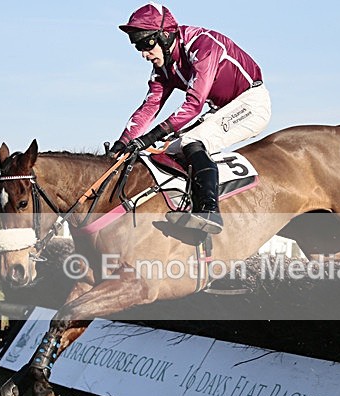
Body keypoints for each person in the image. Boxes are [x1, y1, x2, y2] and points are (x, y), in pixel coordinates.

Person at [107, 3, 271, 234]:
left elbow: (194, 105)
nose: (144, 54)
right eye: (138, 47)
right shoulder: (164, 68)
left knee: (191, 141)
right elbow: (149, 108)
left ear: (164, 36)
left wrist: (150, 136)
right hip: (220, 109)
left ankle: (209, 211)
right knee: (164, 150)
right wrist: (122, 144)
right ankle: (188, 204)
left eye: (146, 43)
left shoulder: (202, 45)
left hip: (251, 103)